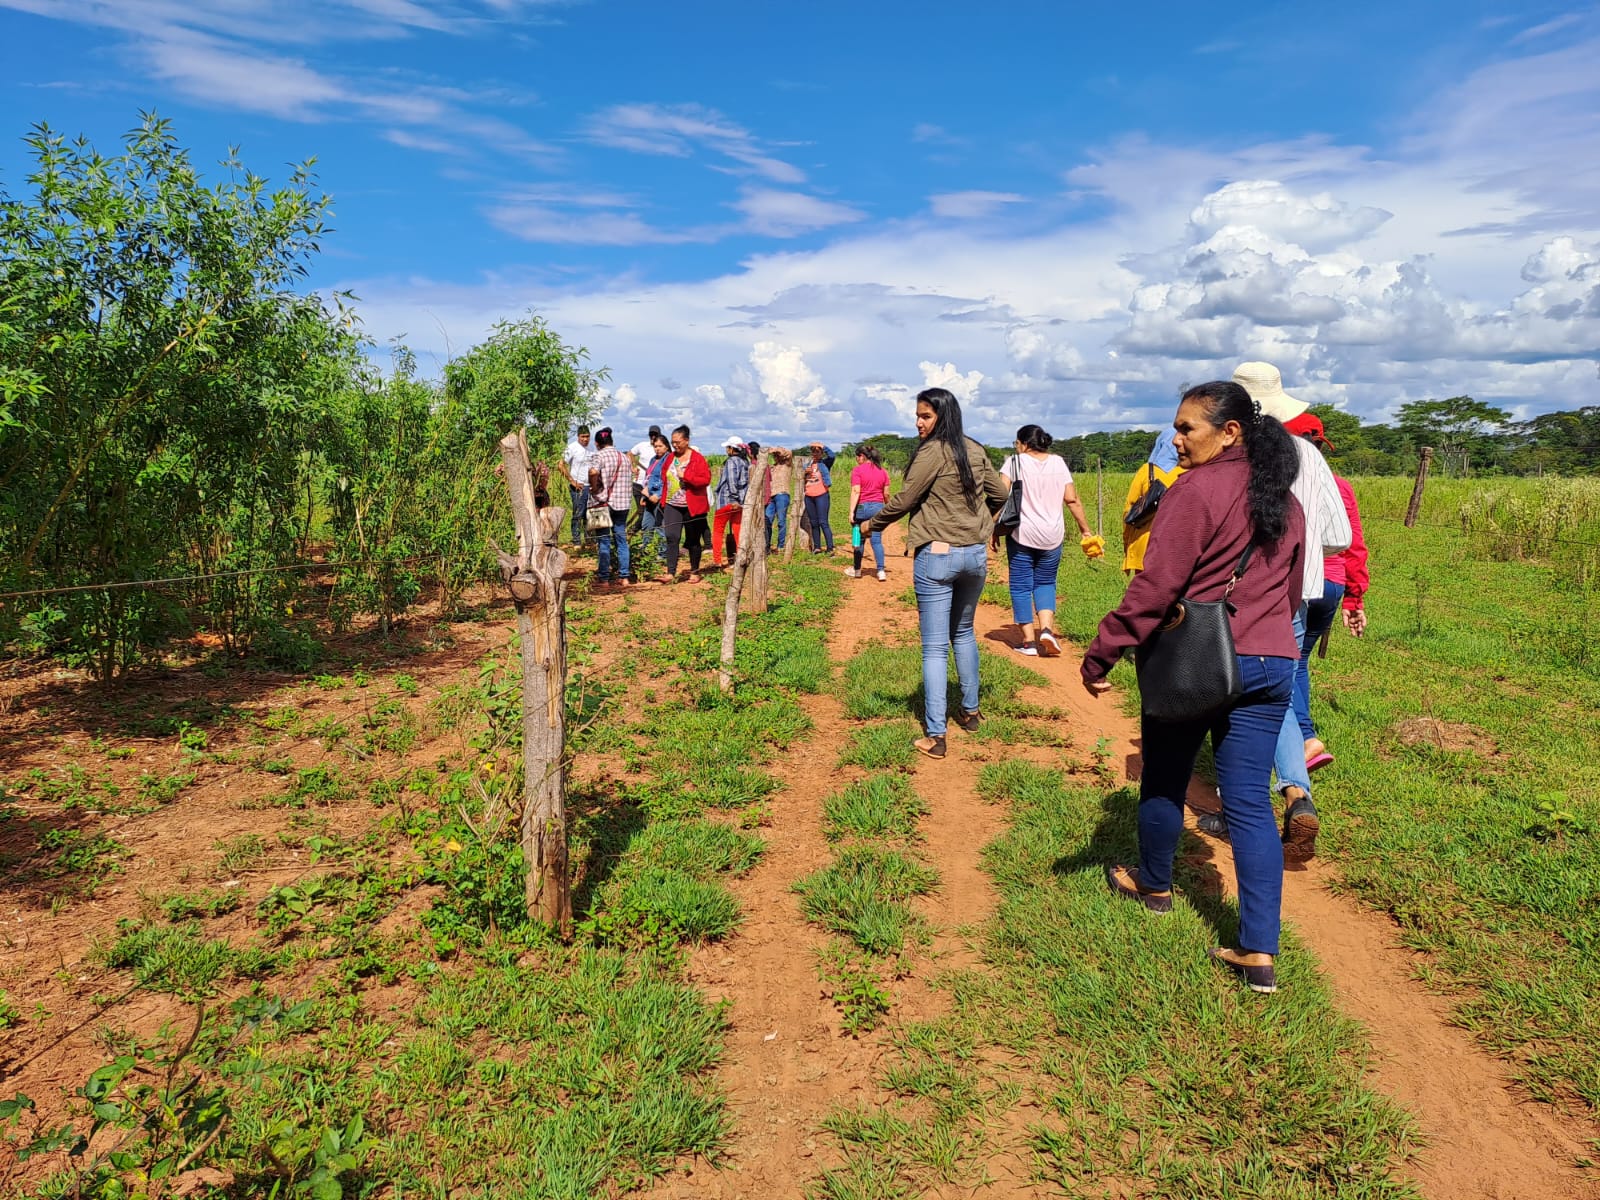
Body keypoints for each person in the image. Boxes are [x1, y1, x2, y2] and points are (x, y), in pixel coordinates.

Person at [1081, 380, 1304, 995]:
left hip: (1200, 660)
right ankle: (1259, 952)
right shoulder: (1285, 500)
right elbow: (1289, 594)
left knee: (1166, 775)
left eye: (1186, 428)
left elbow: (1155, 588)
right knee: (1252, 806)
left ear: (1229, 431)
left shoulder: (1194, 491)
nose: (1174, 439)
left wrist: (1103, 652)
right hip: (1272, 663)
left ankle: (1153, 884)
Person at [1195, 363, 1351, 862]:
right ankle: (1294, 792)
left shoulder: (1224, 459)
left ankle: (1247, 802)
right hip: (1300, 594)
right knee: (1276, 696)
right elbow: (1339, 536)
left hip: (1240, 600)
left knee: (1232, 701)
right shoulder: (1309, 455)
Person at [866, 388, 1008, 759]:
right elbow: (1001, 493)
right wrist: (985, 522)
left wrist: (873, 525)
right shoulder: (974, 449)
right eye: (917, 415)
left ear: (942, 416)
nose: (918, 423)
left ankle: (936, 734)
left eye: (925, 416)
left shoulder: (932, 452)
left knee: (933, 647)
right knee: (963, 632)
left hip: (938, 556)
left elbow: (906, 498)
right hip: (974, 557)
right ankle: (971, 711)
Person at [1283, 414, 1369, 774]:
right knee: (1299, 661)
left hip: (1299, 582)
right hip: (1332, 585)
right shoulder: (1340, 486)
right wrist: (1354, 598)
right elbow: (1354, 545)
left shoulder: (1281, 480)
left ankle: (1303, 737)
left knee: (1282, 666)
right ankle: (1302, 737)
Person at [996, 425, 1103, 655]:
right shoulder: (1058, 463)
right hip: (1053, 535)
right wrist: (1086, 530)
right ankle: (1046, 630)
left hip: (1022, 534)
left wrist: (991, 528)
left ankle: (1028, 642)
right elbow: (1072, 500)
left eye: (1017, 443)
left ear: (1023, 443)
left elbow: (999, 496)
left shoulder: (1015, 463)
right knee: (1045, 582)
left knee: (1021, 586)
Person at [1122, 428, 1185, 574]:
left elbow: (1128, 511)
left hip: (1144, 546)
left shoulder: (1146, 470)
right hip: (1177, 547)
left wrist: (1127, 547)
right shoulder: (1189, 471)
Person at [659, 424, 712, 584]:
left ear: (687, 441)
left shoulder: (697, 458)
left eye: (678, 442)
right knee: (671, 537)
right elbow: (664, 474)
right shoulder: (670, 457)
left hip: (692, 505)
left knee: (693, 539)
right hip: (672, 504)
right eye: (673, 442)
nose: (675, 445)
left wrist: (687, 477)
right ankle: (670, 572)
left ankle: (694, 571)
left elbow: (705, 479)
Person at [588, 427, 632, 586]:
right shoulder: (624, 457)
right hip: (622, 504)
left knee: (603, 541)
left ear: (597, 443)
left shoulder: (598, 456)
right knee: (621, 539)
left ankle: (604, 578)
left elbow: (593, 472)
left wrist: (593, 488)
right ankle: (624, 576)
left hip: (602, 502)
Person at [845, 444, 890, 580]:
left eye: (857, 457)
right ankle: (881, 571)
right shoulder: (883, 471)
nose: (856, 460)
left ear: (862, 456)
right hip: (878, 508)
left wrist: (851, 512)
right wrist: (888, 508)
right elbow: (886, 494)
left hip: (861, 508)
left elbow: (856, 491)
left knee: (858, 539)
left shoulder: (858, 470)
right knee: (877, 541)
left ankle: (857, 570)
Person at [712, 437, 750, 567]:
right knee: (738, 530)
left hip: (727, 500)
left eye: (727, 447)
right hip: (741, 503)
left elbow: (732, 481)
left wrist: (734, 498)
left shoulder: (731, 462)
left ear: (732, 449)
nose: (726, 450)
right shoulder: (745, 462)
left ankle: (717, 560)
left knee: (718, 530)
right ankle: (740, 558)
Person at [559, 425, 594, 545]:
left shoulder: (591, 448)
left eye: (587, 436)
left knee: (590, 514)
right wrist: (572, 481)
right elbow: (560, 465)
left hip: (591, 486)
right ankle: (576, 541)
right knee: (578, 513)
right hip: (578, 487)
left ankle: (590, 540)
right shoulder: (572, 448)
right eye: (583, 437)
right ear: (578, 436)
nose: (585, 439)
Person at [639, 430, 671, 547]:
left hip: (660, 498)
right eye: (655, 446)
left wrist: (658, 495)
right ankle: (646, 550)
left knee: (660, 525)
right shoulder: (653, 459)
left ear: (666, 447)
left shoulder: (668, 459)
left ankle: (662, 552)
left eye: (660, 446)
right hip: (649, 496)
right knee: (647, 524)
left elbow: (667, 480)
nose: (657, 449)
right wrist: (645, 494)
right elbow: (649, 477)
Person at [628, 425, 662, 532]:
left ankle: (641, 533)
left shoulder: (662, 447)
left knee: (653, 513)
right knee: (643, 511)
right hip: (639, 483)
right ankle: (633, 531)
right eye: (651, 435)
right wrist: (632, 467)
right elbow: (630, 454)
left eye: (655, 435)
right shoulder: (642, 445)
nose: (653, 437)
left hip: (654, 485)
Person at [803, 442, 835, 554]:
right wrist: (804, 473)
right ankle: (817, 547)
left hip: (821, 495)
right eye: (813, 451)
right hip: (809, 496)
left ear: (821, 453)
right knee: (814, 522)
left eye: (818, 451)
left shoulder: (825, 464)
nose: (815, 454)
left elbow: (832, 456)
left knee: (823, 522)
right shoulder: (807, 465)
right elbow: (801, 477)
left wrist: (823, 446)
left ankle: (830, 548)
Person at [765, 448, 793, 551]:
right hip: (771, 496)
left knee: (781, 521)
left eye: (777, 455)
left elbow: (789, 453)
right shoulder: (772, 467)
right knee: (767, 520)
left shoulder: (787, 465)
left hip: (782, 494)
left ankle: (780, 546)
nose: (775, 457)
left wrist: (775, 450)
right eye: (774, 456)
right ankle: (767, 545)